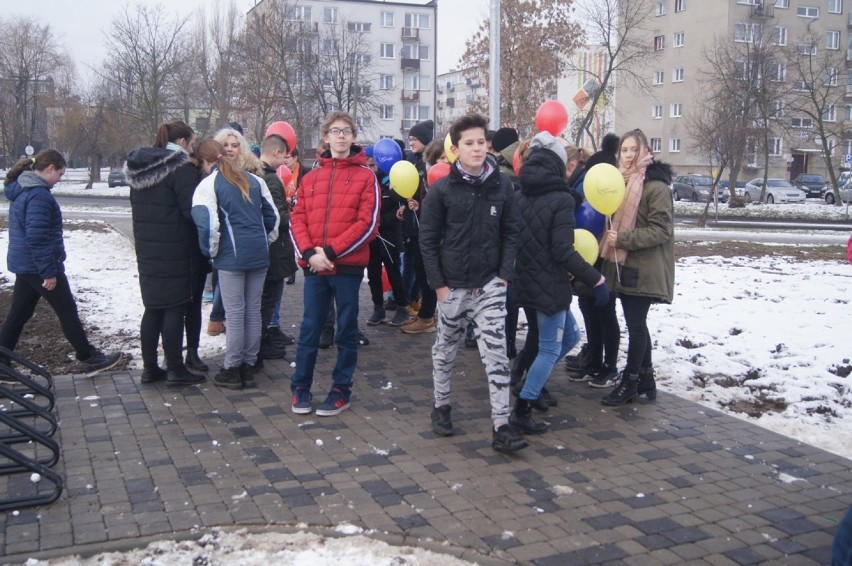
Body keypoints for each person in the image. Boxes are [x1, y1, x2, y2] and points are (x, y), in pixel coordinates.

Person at [419, 113, 527, 453]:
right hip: (452, 287)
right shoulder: (441, 191)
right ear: (456, 148)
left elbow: (512, 232)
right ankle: (441, 406)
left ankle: (501, 426)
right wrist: (439, 287)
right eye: (470, 143)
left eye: (481, 142)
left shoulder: (502, 186)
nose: (477, 148)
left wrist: (503, 276)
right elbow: (428, 240)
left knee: (496, 355)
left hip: (490, 287)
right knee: (445, 350)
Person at [511, 132, 610, 434]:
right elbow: (563, 250)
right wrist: (596, 279)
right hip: (548, 285)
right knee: (551, 349)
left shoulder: (520, 194)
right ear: (557, 163)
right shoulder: (560, 199)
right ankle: (523, 407)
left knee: (570, 337)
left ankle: (530, 385)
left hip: (528, 281)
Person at [288, 111, 379, 416]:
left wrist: (328, 251)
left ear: (353, 137)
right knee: (310, 329)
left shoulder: (367, 177)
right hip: (315, 268)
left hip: (347, 268)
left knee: (346, 331)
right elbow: (297, 218)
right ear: (325, 137)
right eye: (335, 131)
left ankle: (341, 390)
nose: (341, 136)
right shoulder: (311, 177)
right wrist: (309, 254)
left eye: (347, 131)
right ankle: (300, 386)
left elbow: (367, 224)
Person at [0, 150, 123, 373]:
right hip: (39, 266)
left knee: (19, 315)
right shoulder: (38, 195)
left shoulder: (23, 189)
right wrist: (48, 272)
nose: (60, 179)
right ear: (49, 169)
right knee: (67, 310)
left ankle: (1, 362)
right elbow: (37, 237)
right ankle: (89, 357)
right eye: (60, 173)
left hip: (27, 265)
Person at [124, 120, 207, 386]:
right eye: (192, 144)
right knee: (174, 308)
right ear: (182, 142)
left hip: (148, 250)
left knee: (153, 308)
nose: (192, 149)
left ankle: (150, 368)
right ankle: (175, 369)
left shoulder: (139, 168)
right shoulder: (179, 167)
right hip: (176, 249)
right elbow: (191, 211)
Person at [192, 138, 279, 390]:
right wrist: (264, 243)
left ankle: (232, 367)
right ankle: (250, 362)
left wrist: (212, 253)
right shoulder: (256, 181)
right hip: (258, 255)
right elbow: (272, 219)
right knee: (253, 310)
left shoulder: (209, 185)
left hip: (231, 257)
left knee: (235, 312)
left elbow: (207, 225)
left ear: (205, 162)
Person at [599, 129, 675, 406]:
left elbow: (662, 230)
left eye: (634, 149)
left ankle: (630, 381)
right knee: (637, 324)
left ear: (645, 151)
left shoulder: (655, 186)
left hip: (645, 267)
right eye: (624, 150)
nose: (629, 155)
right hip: (628, 265)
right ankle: (646, 381)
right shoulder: (622, 182)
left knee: (635, 325)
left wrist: (624, 239)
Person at [566, 134, 623, 389]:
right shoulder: (586, 195)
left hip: (607, 261)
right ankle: (594, 361)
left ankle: (609, 366)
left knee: (606, 314)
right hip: (590, 258)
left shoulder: (616, 195)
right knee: (589, 311)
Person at [206, 127, 266, 337]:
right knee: (234, 308)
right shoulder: (210, 178)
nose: (230, 149)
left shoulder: (254, 176)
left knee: (248, 310)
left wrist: (263, 240)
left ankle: (245, 360)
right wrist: (213, 248)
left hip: (251, 251)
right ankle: (217, 322)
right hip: (223, 249)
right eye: (225, 145)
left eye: (235, 145)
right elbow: (208, 220)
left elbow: (269, 215)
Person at [258, 133, 298, 360]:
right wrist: (290, 213)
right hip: (274, 248)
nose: (285, 161)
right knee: (268, 298)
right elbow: (276, 217)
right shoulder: (271, 179)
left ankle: (262, 339)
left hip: (264, 247)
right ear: (276, 152)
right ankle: (262, 342)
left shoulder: (256, 173)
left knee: (264, 297)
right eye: (283, 156)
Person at [399, 119, 439, 334]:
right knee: (418, 269)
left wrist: (420, 206)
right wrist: (407, 206)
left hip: (427, 228)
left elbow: (433, 198)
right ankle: (426, 313)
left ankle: (427, 317)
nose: (411, 142)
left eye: (414, 139)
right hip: (415, 226)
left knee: (426, 273)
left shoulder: (429, 164)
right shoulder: (412, 161)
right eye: (410, 138)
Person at [365, 155, 410, 327]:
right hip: (371, 238)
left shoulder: (392, 184)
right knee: (373, 274)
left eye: (372, 165)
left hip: (389, 237)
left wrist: (379, 223)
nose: (370, 169)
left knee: (394, 273)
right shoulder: (366, 185)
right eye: (367, 165)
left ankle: (402, 307)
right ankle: (378, 308)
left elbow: (400, 212)